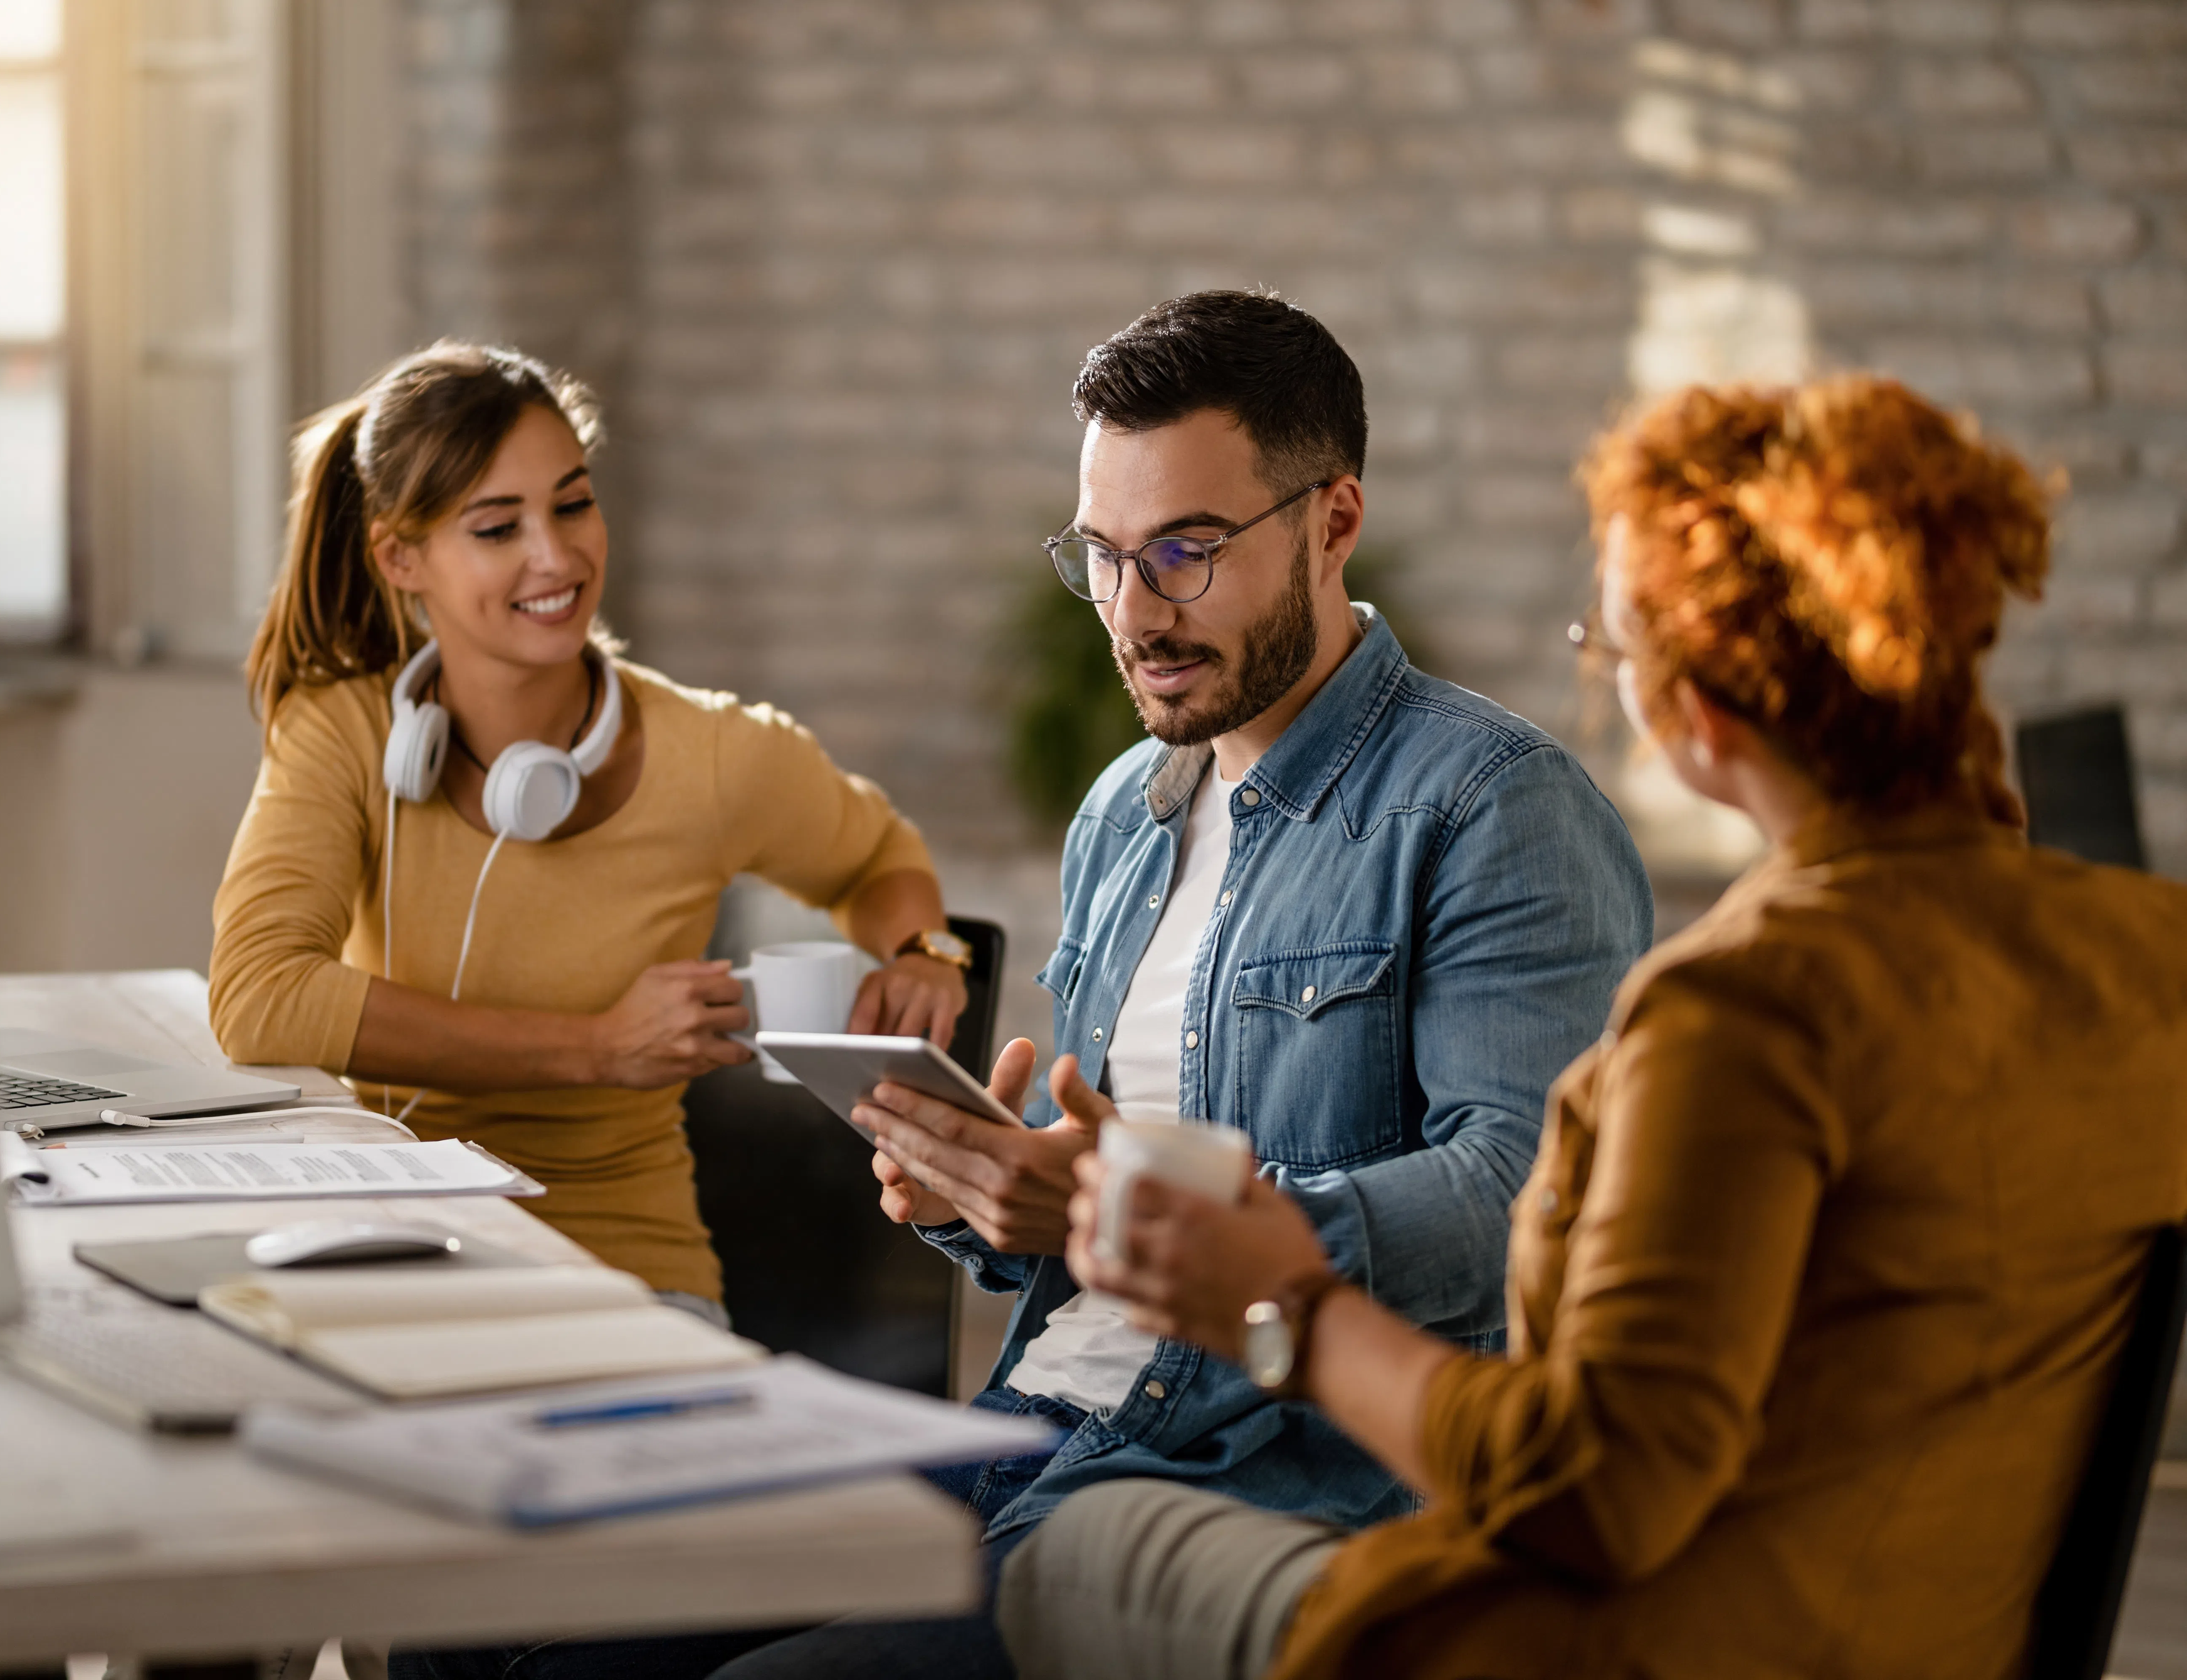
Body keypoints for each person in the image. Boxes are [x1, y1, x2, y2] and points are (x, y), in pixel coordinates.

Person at [997, 375, 2187, 1680]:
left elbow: (1590, 1494)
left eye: (1609, 651)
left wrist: (1281, 1300)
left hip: (1624, 1643)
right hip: (1927, 1625)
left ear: (1697, 713)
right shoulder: (2146, 953)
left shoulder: (1739, 1011)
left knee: (1065, 1558)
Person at [682, 291, 1652, 1678]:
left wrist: (1148, 1208)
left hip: (1249, 1477)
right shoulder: (1121, 812)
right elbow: (1081, 1211)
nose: (1134, 614)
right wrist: (985, 1190)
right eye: (1104, 556)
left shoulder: (1490, 808)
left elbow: (1530, 1197)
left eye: (1187, 552)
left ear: (1332, 521)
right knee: (513, 1629)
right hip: (1026, 1430)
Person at [211, 341, 968, 1320]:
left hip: (628, 1269)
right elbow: (261, 996)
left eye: (571, 504)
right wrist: (592, 1047)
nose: (555, 557)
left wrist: (926, 950)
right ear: (402, 556)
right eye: (497, 526)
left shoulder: (719, 755)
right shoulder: (345, 732)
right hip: (389, 1245)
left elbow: (877, 854)